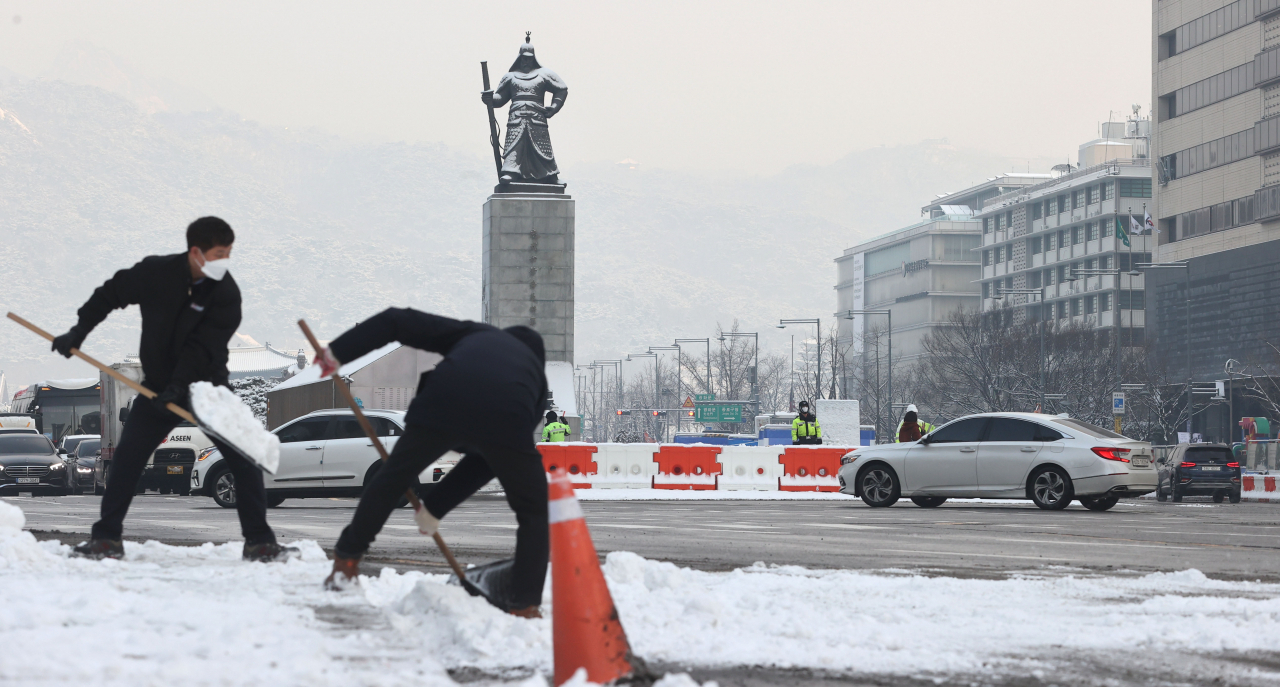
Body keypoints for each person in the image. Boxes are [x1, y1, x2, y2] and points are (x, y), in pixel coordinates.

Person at [51, 217, 294, 562]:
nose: (226, 260)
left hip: (209, 387)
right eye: (220, 253)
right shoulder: (156, 273)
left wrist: (180, 386)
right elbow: (110, 293)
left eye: (229, 253)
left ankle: (260, 542)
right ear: (196, 252)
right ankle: (106, 539)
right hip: (157, 387)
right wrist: (78, 332)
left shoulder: (225, 293)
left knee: (244, 455)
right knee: (127, 460)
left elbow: (202, 347)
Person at [319, 308, 549, 618]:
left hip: (443, 399)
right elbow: (491, 460)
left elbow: (396, 321)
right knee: (534, 510)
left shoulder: (476, 334)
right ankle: (525, 605)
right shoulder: (535, 376)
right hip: (507, 415)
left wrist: (339, 351)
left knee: (392, 479)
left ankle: (345, 563)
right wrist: (437, 506)